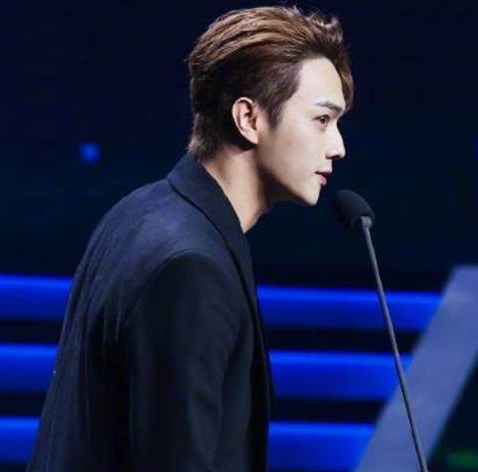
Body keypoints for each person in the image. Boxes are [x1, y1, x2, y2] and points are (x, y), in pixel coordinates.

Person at [27, 6, 352, 471]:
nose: (338, 147)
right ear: (248, 118)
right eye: (322, 120)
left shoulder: (141, 210)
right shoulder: (190, 266)